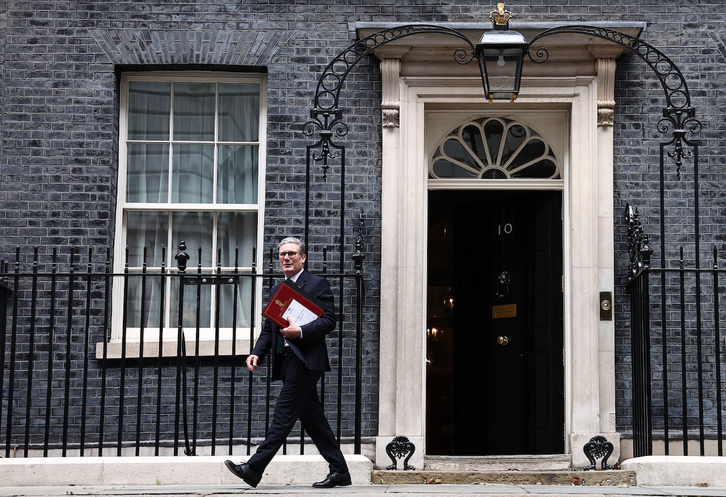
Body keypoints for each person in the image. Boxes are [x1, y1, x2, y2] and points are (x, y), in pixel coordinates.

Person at [225, 237, 351, 488]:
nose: (286, 258)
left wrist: (300, 332)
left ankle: (254, 468)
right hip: (287, 359)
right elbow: (269, 329)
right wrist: (257, 353)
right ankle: (340, 471)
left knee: (283, 414)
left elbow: (329, 321)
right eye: (282, 254)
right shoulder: (276, 290)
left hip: (305, 361)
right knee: (313, 419)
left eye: (292, 253)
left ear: (302, 257)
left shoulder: (317, 284)